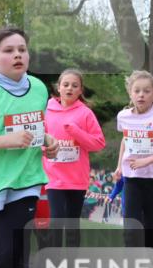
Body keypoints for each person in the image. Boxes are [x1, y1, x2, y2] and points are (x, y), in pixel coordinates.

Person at [0, 28, 59, 268]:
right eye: (8, 50)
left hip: (25, 182)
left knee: (9, 256)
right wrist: (8, 141)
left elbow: (36, 127)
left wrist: (47, 139)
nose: (17, 55)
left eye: (22, 49)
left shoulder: (38, 88)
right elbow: (10, 136)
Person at [115, 70, 153, 251]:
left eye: (146, 91)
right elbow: (125, 140)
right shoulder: (123, 116)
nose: (141, 95)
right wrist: (119, 166)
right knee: (131, 229)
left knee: (150, 232)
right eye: (137, 91)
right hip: (132, 179)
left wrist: (148, 161)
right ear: (130, 93)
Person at [43, 68, 106, 247]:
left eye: (74, 85)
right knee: (57, 221)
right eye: (66, 84)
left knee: (71, 224)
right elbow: (38, 138)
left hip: (76, 179)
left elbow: (98, 143)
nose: (70, 88)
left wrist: (76, 132)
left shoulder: (85, 113)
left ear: (80, 90)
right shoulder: (47, 110)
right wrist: (44, 148)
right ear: (58, 87)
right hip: (54, 176)